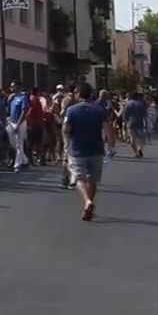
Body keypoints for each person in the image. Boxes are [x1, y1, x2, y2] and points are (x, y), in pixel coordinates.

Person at [63, 83, 107, 221]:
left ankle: (87, 201)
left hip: (77, 149)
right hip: (96, 149)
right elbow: (107, 128)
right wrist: (111, 146)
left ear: (78, 94)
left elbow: (66, 130)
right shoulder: (99, 109)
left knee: (79, 178)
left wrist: (67, 144)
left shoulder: (71, 110)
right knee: (92, 179)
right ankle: (88, 205)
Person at [7, 83, 30, 172]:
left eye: (13, 86)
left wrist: (18, 124)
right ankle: (25, 160)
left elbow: (24, 111)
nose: (11, 88)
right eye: (11, 86)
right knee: (13, 143)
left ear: (18, 87)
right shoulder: (12, 97)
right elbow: (9, 110)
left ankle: (17, 165)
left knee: (19, 144)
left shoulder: (23, 97)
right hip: (11, 122)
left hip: (20, 123)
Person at [122, 92, 148, 158]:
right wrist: (146, 124)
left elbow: (125, 114)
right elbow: (145, 116)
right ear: (137, 97)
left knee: (132, 139)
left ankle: (136, 153)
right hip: (140, 123)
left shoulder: (128, 104)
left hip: (131, 123)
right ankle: (140, 148)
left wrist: (125, 122)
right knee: (141, 138)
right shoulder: (141, 104)